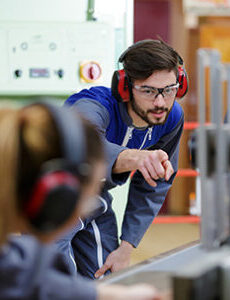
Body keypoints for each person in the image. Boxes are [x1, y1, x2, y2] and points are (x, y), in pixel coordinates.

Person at [0, 102, 162, 299]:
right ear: (56, 196)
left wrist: (120, 295)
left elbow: (37, 281)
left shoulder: (12, 258)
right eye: (86, 200)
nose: (85, 211)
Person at [59, 39, 187, 279]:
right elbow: (85, 148)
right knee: (55, 281)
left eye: (169, 89)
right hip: (53, 197)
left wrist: (126, 247)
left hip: (95, 200)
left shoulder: (171, 117)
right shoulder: (93, 106)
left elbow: (155, 185)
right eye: (148, 91)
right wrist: (135, 158)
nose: (161, 102)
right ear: (125, 88)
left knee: (106, 277)